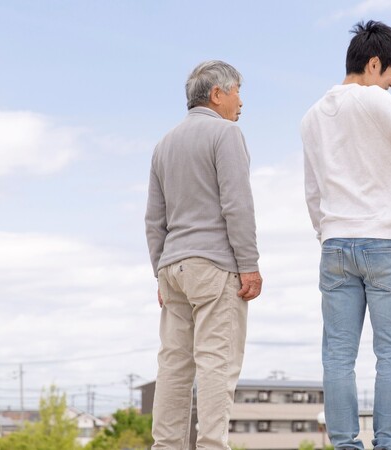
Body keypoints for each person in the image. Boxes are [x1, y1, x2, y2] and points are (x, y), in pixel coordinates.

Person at [301, 20, 391, 450]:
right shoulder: (371, 100)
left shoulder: (311, 116)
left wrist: (329, 232)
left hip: (335, 243)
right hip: (385, 243)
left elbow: (312, 191)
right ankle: (387, 443)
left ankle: (344, 444)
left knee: (337, 355)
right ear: (374, 63)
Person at [145, 60, 263, 450]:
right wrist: (249, 265)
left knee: (174, 366)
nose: (240, 102)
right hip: (214, 266)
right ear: (217, 94)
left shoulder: (164, 144)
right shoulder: (226, 134)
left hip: (172, 268)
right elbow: (237, 205)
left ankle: (166, 446)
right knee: (217, 362)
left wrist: (159, 272)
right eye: (237, 92)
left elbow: (154, 219)